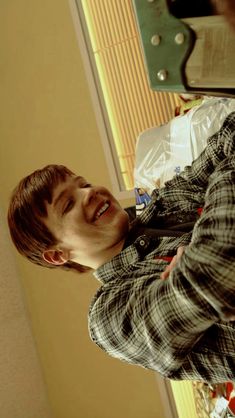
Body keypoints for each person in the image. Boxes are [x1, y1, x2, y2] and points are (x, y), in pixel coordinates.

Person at [8, 112, 235, 384]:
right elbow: (214, 275)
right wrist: (204, 251)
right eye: (68, 204)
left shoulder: (164, 202)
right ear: (58, 254)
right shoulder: (110, 316)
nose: (89, 193)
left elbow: (227, 136)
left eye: (84, 184)